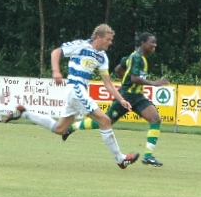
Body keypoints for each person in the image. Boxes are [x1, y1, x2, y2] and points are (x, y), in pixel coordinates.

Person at [3, 24, 140, 169]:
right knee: (105, 120)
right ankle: (120, 159)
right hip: (75, 89)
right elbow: (56, 52)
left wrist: (121, 99)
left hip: (78, 92)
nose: (110, 42)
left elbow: (108, 83)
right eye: (108, 39)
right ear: (98, 37)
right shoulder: (81, 45)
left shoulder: (102, 57)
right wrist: (56, 71)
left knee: (60, 129)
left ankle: (24, 112)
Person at [62, 33, 169, 166]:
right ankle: (71, 127)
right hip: (126, 96)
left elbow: (119, 69)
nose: (155, 45)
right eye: (152, 42)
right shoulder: (137, 58)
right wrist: (154, 83)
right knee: (104, 122)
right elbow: (134, 78)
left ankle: (148, 156)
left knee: (155, 119)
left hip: (138, 97)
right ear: (143, 43)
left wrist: (125, 78)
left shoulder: (132, 57)